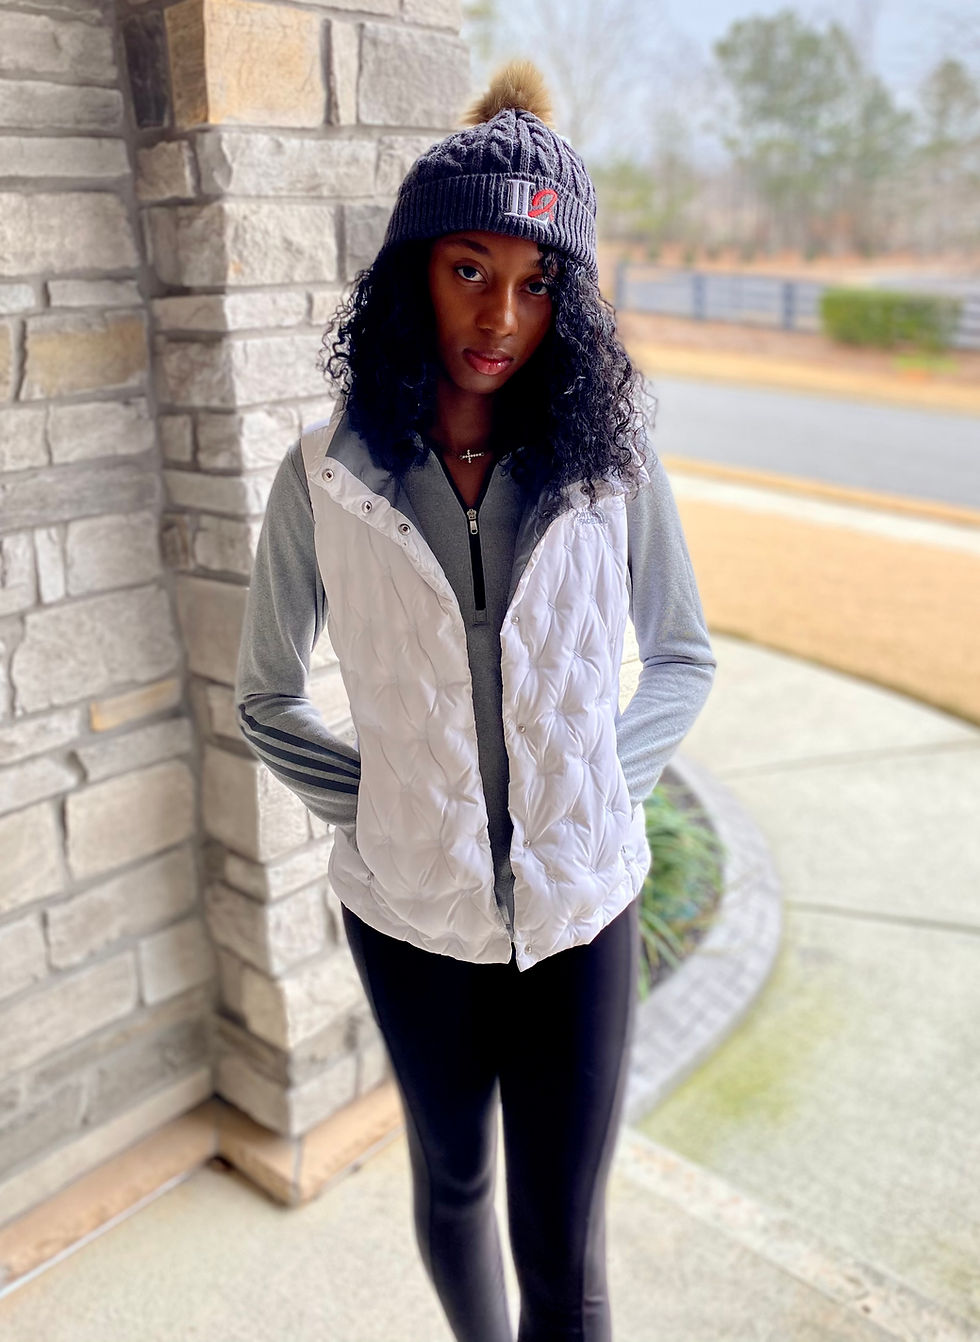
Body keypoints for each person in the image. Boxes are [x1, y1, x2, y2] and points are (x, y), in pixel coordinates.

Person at [235, 57, 716, 1342]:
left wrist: (598, 785)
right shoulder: (327, 476)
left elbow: (681, 656)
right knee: (452, 1180)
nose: (501, 314)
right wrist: (388, 809)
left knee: (564, 1248)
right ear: (415, 272)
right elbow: (265, 695)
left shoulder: (610, 465)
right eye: (469, 269)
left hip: (580, 911)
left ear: (573, 301)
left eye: (537, 283)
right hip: (409, 918)